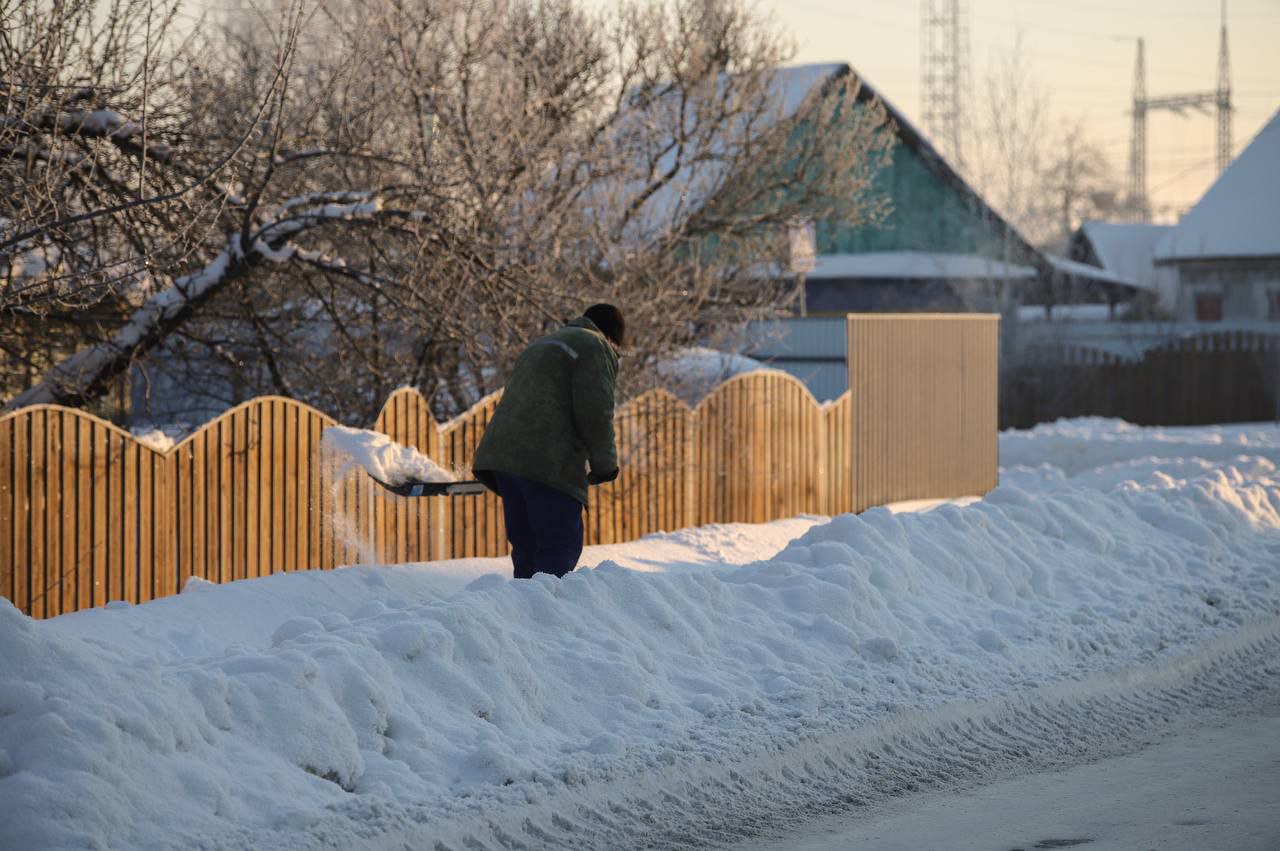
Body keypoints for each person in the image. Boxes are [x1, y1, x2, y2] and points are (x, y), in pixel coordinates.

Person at [472, 304, 623, 579]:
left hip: (503, 458)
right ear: (612, 336)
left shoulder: (543, 344)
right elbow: (595, 409)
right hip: (547, 462)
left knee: (527, 553)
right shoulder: (594, 345)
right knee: (558, 552)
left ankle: (521, 618)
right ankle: (545, 619)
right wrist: (605, 464)